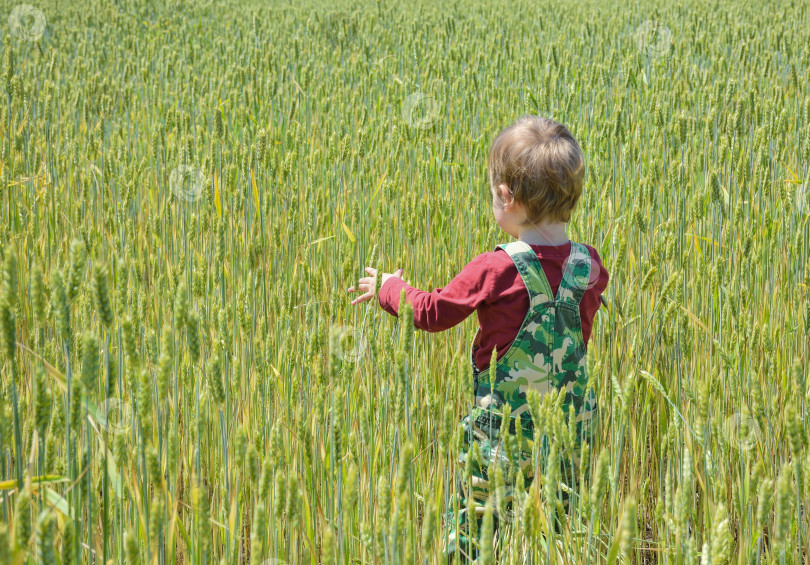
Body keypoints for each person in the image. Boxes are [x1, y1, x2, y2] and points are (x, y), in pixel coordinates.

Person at [348, 115, 610, 563]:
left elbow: (430, 312)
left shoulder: (498, 269)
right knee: (557, 535)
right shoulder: (590, 267)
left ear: (507, 197)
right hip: (566, 442)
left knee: (470, 535)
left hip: (498, 445)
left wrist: (389, 287)